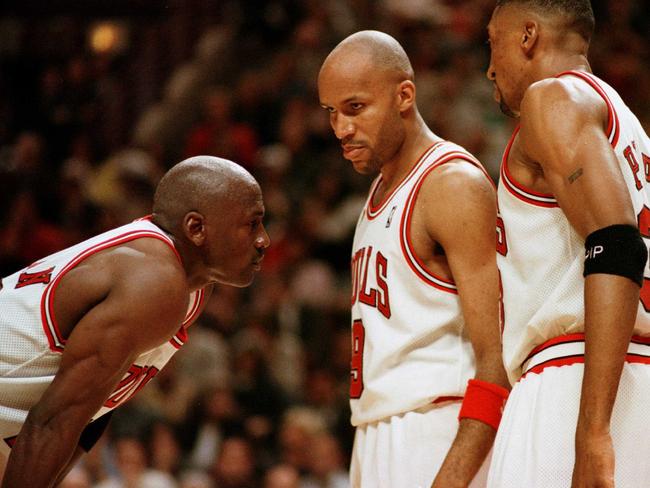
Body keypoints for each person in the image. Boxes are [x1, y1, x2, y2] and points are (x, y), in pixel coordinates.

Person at [0, 155, 270, 487]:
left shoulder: (192, 284)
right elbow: (54, 421)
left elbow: (96, 407)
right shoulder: (154, 283)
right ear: (196, 229)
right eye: (252, 224)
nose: (264, 240)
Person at [317, 30, 510, 488]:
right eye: (331, 113)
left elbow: (497, 358)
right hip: (377, 428)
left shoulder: (450, 185)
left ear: (404, 94)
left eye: (355, 108)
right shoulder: (380, 188)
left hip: (436, 428)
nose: (341, 128)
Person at [485, 1, 650, 486]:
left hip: (575, 381)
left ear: (528, 36)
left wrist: (592, 431)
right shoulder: (631, 128)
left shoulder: (551, 99)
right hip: (633, 373)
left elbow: (616, 242)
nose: (489, 66)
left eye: (493, 41)